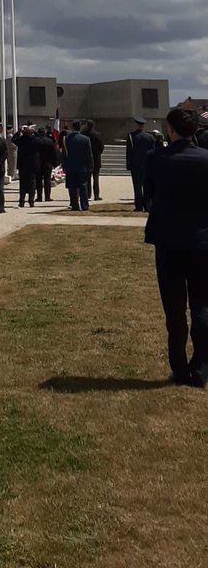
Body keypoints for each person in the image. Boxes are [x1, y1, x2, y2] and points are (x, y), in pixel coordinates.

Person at [143, 107, 208, 387]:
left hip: (169, 241)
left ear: (171, 130)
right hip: (203, 241)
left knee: (174, 309)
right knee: (203, 305)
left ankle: (179, 368)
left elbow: (149, 195)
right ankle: (202, 368)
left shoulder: (157, 158)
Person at [63, 120, 94, 210]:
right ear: (80, 127)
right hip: (82, 166)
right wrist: (90, 165)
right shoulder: (85, 139)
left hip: (70, 166)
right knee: (83, 186)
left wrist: (64, 165)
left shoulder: (67, 139)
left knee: (72, 187)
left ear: (73, 127)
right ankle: (84, 205)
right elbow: (89, 154)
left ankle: (74, 205)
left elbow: (64, 154)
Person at [127, 117, 156, 211]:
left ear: (136, 125)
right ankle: (147, 205)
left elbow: (129, 152)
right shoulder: (150, 137)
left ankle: (139, 206)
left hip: (135, 165)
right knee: (147, 186)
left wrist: (128, 165)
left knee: (137, 186)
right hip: (147, 165)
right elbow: (153, 152)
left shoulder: (131, 136)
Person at [12, 126, 39, 207]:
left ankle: (22, 201)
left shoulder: (21, 139)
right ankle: (31, 201)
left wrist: (18, 132)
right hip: (32, 165)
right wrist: (35, 132)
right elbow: (42, 140)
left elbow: (13, 140)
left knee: (22, 184)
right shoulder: (35, 140)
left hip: (23, 165)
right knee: (32, 184)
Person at [82, 120, 104, 201]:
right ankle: (96, 195)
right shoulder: (97, 135)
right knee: (96, 178)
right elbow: (101, 147)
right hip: (96, 159)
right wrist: (97, 154)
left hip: (86, 159)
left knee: (87, 178)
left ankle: (88, 194)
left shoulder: (84, 134)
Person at [34, 128, 58, 202]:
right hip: (48, 163)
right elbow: (54, 153)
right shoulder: (49, 141)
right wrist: (55, 163)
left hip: (38, 163)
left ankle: (39, 197)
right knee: (47, 181)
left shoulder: (36, 141)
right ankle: (47, 196)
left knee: (38, 181)